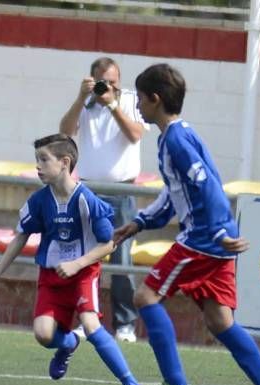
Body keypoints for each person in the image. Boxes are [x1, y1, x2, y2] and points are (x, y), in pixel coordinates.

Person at [112, 63, 260, 385]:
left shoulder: (177, 140)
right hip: (214, 236)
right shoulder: (176, 136)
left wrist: (216, 233)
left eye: (140, 99)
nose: (137, 107)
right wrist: (141, 222)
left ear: (155, 99)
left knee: (145, 297)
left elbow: (208, 188)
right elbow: (176, 192)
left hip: (203, 238)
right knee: (219, 320)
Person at [0, 134, 146, 385]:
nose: (38, 167)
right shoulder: (40, 200)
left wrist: (78, 263)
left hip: (83, 274)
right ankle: (68, 344)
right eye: (36, 160)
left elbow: (108, 244)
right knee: (43, 335)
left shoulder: (88, 201)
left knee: (91, 325)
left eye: (44, 160)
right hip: (51, 276)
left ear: (65, 162)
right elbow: (21, 235)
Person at [59, 57, 147, 343]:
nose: (108, 87)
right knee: (85, 259)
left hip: (123, 191)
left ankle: (125, 324)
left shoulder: (132, 101)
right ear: (92, 79)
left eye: (113, 82)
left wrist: (112, 104)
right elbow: (65, 132)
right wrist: (80, 97)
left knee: (121, 260)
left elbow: (135, 135)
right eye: (103, 82)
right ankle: (87, 319)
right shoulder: (85, 104)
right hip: (89, 189)